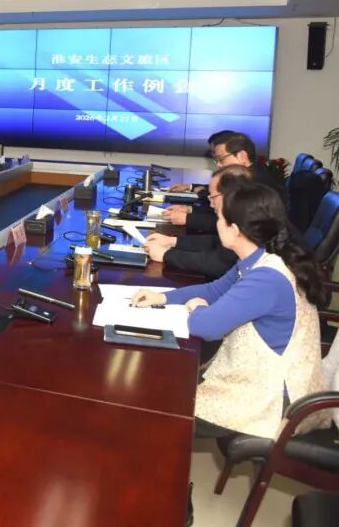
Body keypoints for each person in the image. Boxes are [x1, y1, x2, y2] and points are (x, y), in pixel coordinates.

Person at [131, 178, 329, 439]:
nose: (216, 223)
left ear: (235, 230)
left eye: (220, 219)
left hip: (271, 400)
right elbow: (214, 290)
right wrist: (163, 297)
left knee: (153, 405)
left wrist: (196, 307)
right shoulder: (259, 257)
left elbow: (206, 326)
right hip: (254, 379)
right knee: (161, 385)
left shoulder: (267, 277)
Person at [144, 165, 251, 278]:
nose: (211, 204)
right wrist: (171, 241)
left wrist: (165, 255)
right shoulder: (242, 212)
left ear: (229, 195)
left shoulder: (246, 221)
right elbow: (214, 242)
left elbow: (217, 263)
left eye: (213, 197)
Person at [163, 132, 285, 231]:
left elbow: (231, 224)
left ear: (242, 156)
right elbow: (222, 213)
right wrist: (190, 210)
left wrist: (188, 219)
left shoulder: (254, 183)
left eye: (221, 159)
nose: (219, 165)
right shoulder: (249, 174)